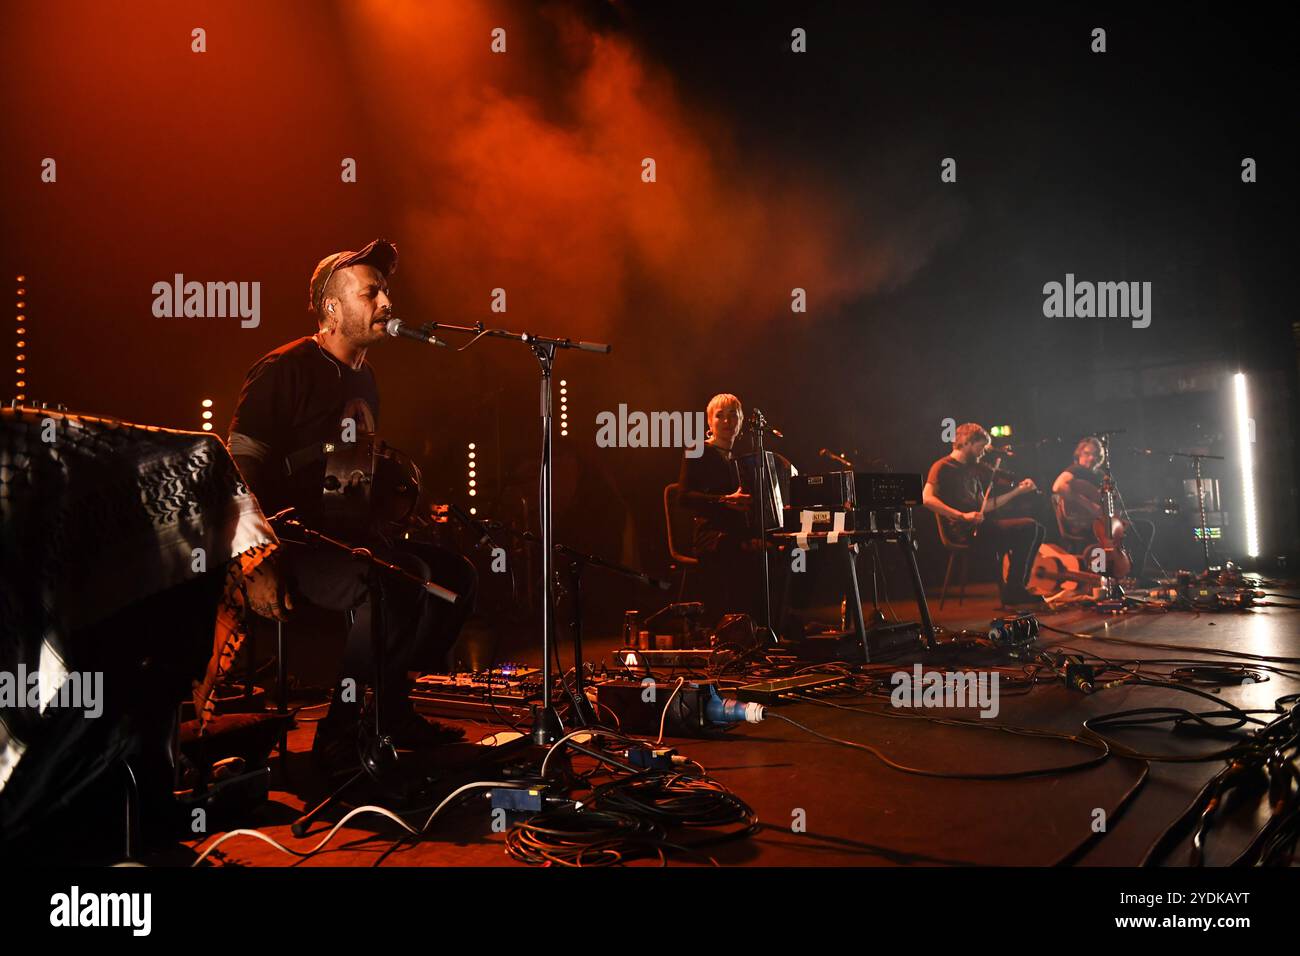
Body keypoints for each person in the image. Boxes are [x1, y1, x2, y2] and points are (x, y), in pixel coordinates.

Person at [227, 239, 476, 775]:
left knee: (454, 579)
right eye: (372, 292)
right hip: (293, 542)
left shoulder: (366, 378)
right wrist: (256, 557)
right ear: (333, 308)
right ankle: (340, 734)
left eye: (385, 290)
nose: (387, 302)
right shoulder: (282, 370)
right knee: (389, 581)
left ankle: (389, 709)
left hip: (351, 537)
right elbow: (237, 468)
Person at [923, 422, 1045, 607]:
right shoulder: (942, 467)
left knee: (1038, 529)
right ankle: (1014, 589)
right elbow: (926, 499)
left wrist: (1016, 492)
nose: (982, 453)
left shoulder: (973, 469)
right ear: (966, 443)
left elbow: (984, 506)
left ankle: (1015, 587)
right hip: (962, 531)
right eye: (980, 448)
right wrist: (961, 516)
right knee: (1028, 527)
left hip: (980, 527)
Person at [676, 393, 769, 628]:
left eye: (733, 416)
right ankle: (729, 630)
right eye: (720, 416)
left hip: (737, 533)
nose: (727, 421)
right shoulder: (696, 449)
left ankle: (760, 629)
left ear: (740, 422)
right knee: (737, 553)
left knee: (773, 551)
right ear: (710, 422)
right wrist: (723, 500)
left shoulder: (741, 460)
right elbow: (684, 497)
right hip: (711, 534)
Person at [1053, 436, 1154, 580]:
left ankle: (1133, 576)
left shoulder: (1101, 475)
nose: (1091, 458)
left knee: (1143, 527)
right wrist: (1087, 504)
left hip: (1103, 521)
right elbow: (1057, 486)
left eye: (1095, 455)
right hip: (1083, 524)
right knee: (1102, 543)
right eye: (1087, 453)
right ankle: (1100, 581)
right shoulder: (1075, 470)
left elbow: (1109, 504)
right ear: (1079, 454)